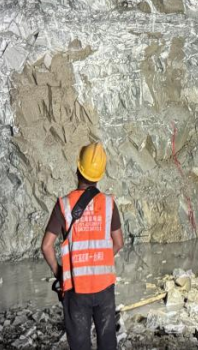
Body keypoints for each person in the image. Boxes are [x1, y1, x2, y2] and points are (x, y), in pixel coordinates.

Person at [41, 142, 125, 350]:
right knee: (107, 341)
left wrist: (59, 272)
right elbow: (118, 242)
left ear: (78, 167)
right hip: (104, 287)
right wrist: (100, 260)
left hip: (76, 289)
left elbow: (46, 246)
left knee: (79, 344)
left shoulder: (64, 205)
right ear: (100, 175)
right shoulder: (108, 204)